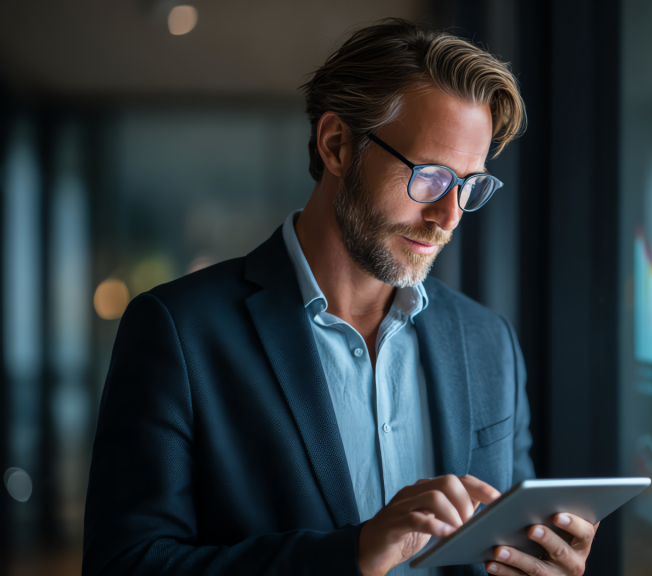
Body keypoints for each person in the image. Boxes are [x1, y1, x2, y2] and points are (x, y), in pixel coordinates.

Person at [83, 18, 597, 576]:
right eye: (429, 176)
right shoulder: (178, 331)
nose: (448, 216)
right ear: (337, 145)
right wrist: (350, 556)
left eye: (470, 184)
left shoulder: (489, 341)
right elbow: (125, 564)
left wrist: (541, 564)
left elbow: (505, 548)